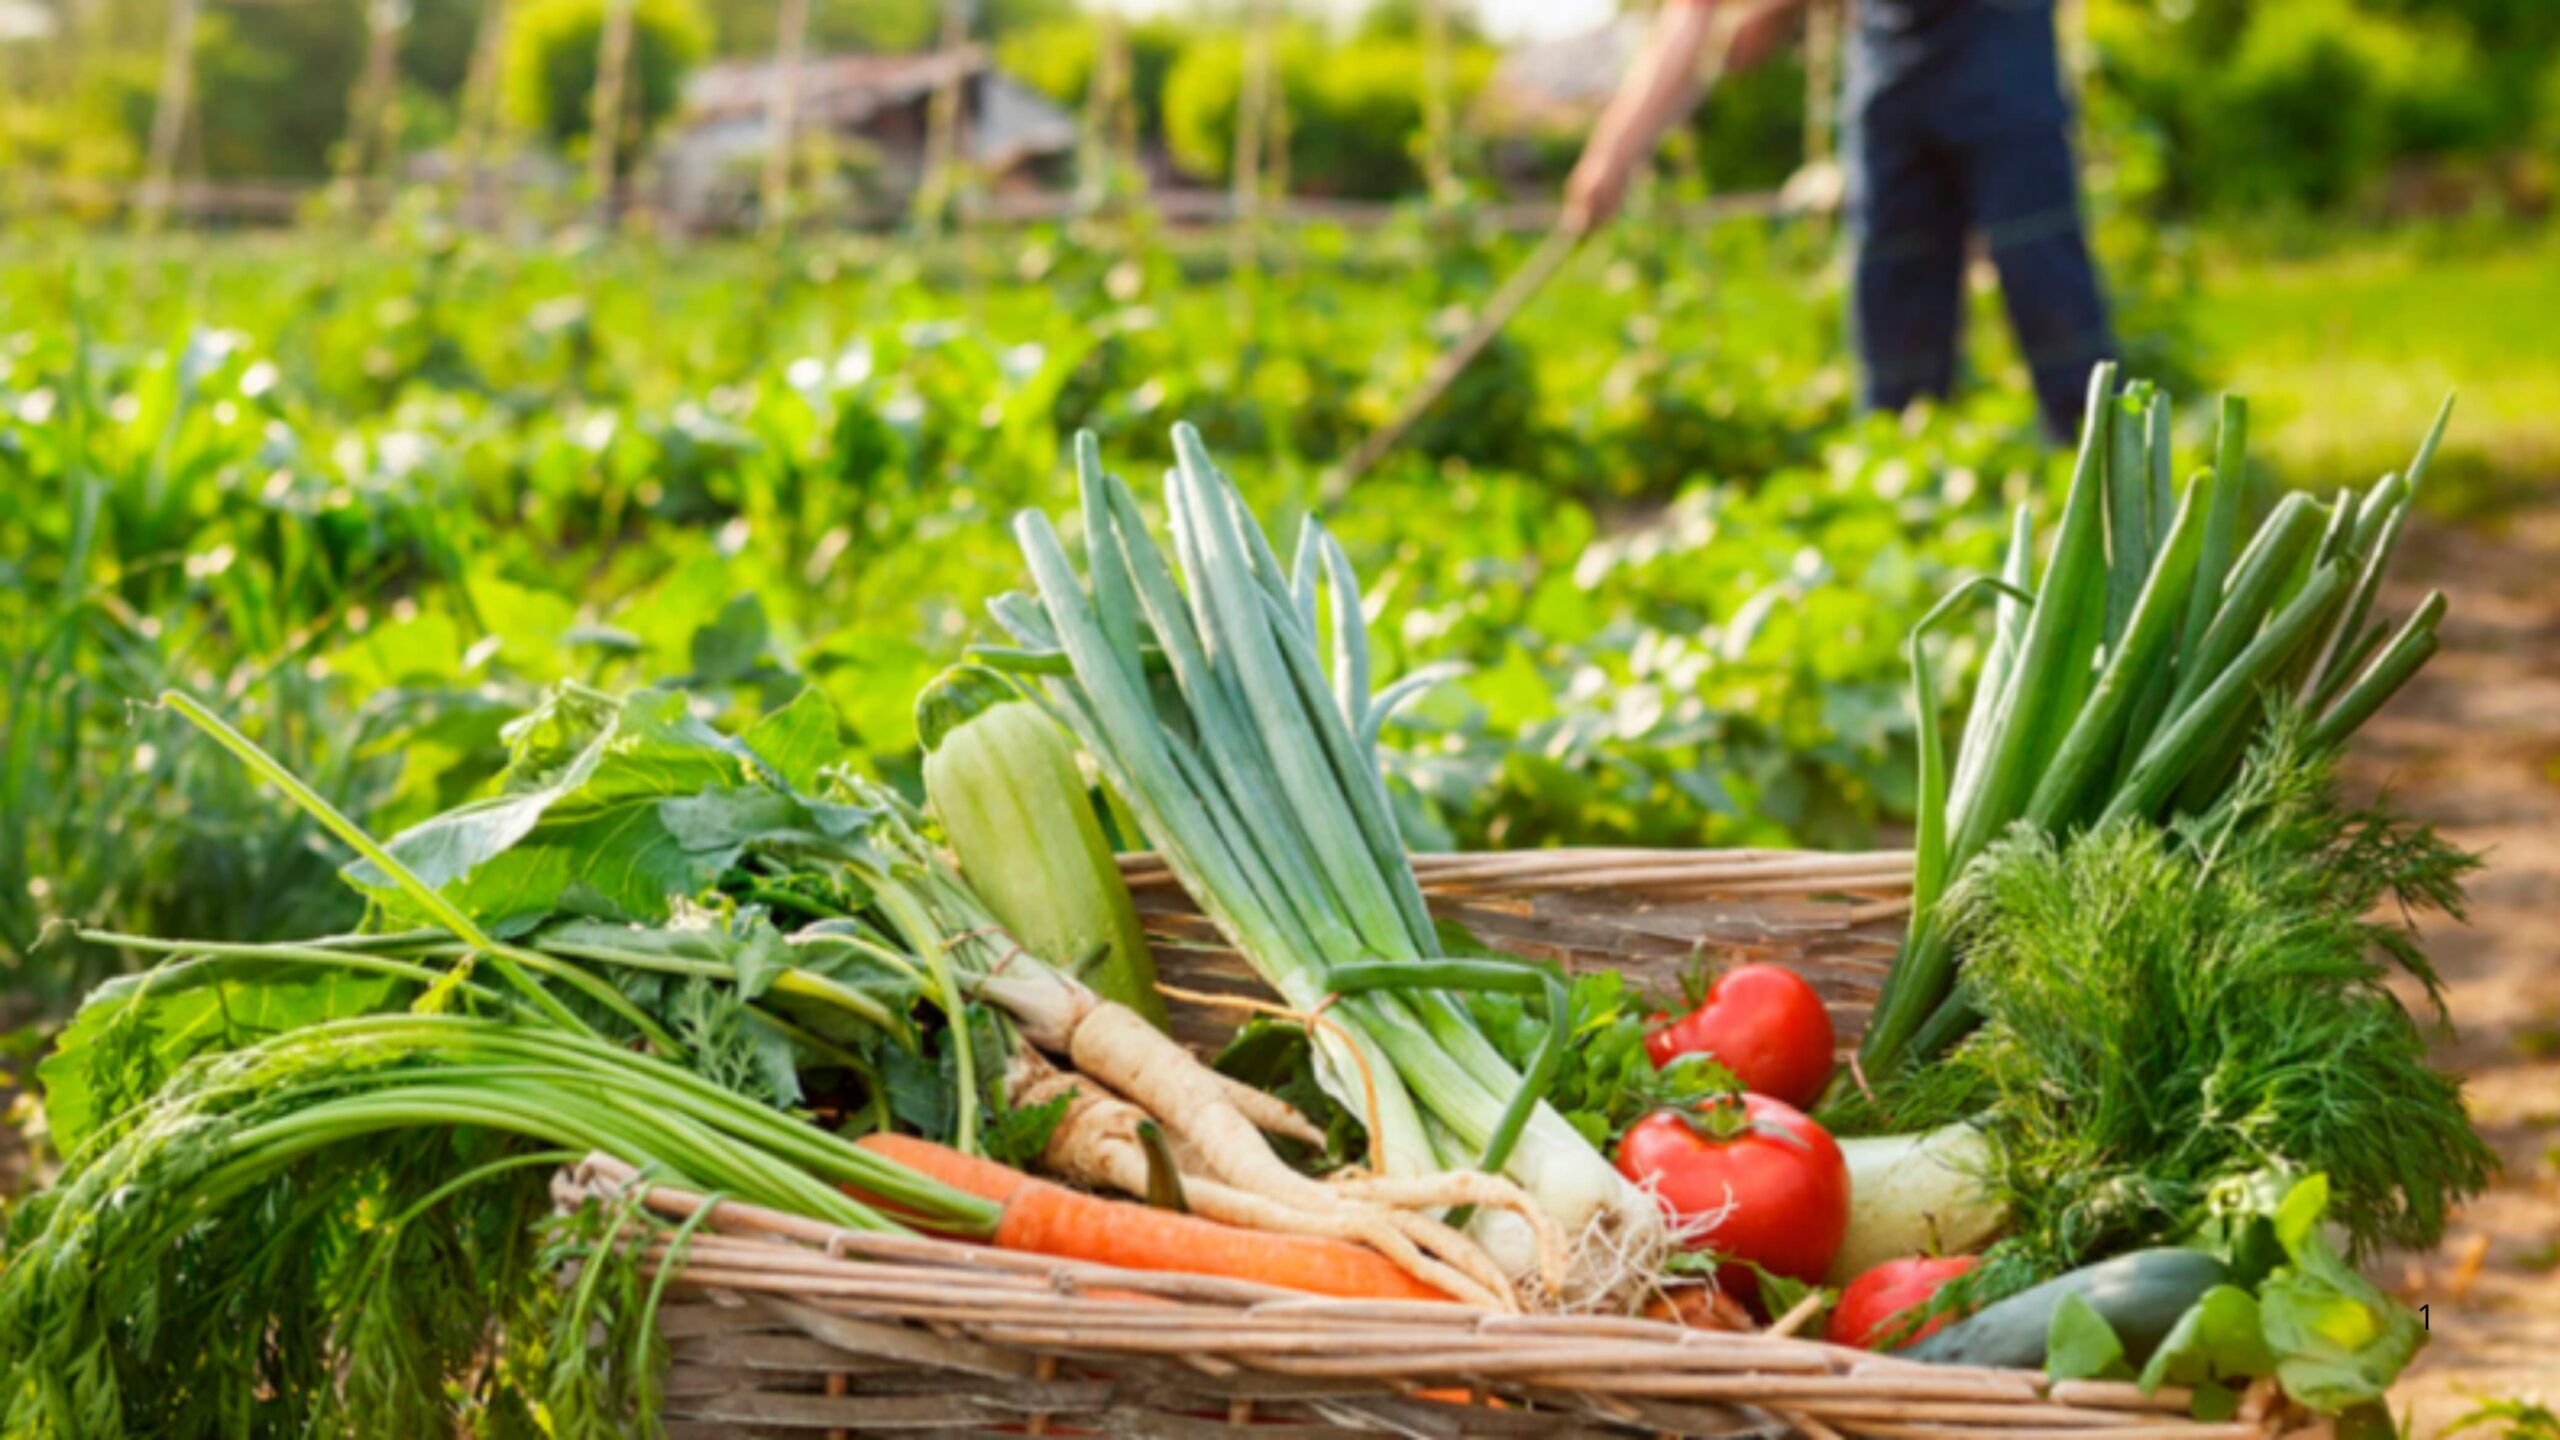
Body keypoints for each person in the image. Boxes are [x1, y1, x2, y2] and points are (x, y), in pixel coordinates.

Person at [1564, 0, 2117, 441]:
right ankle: (1904, 469)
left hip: (1998, 33)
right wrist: (1611, 158)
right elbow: (1689, 19)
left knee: (2039, 266)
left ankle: (2101, 469)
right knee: (1893, 278)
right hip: (1885, 49)